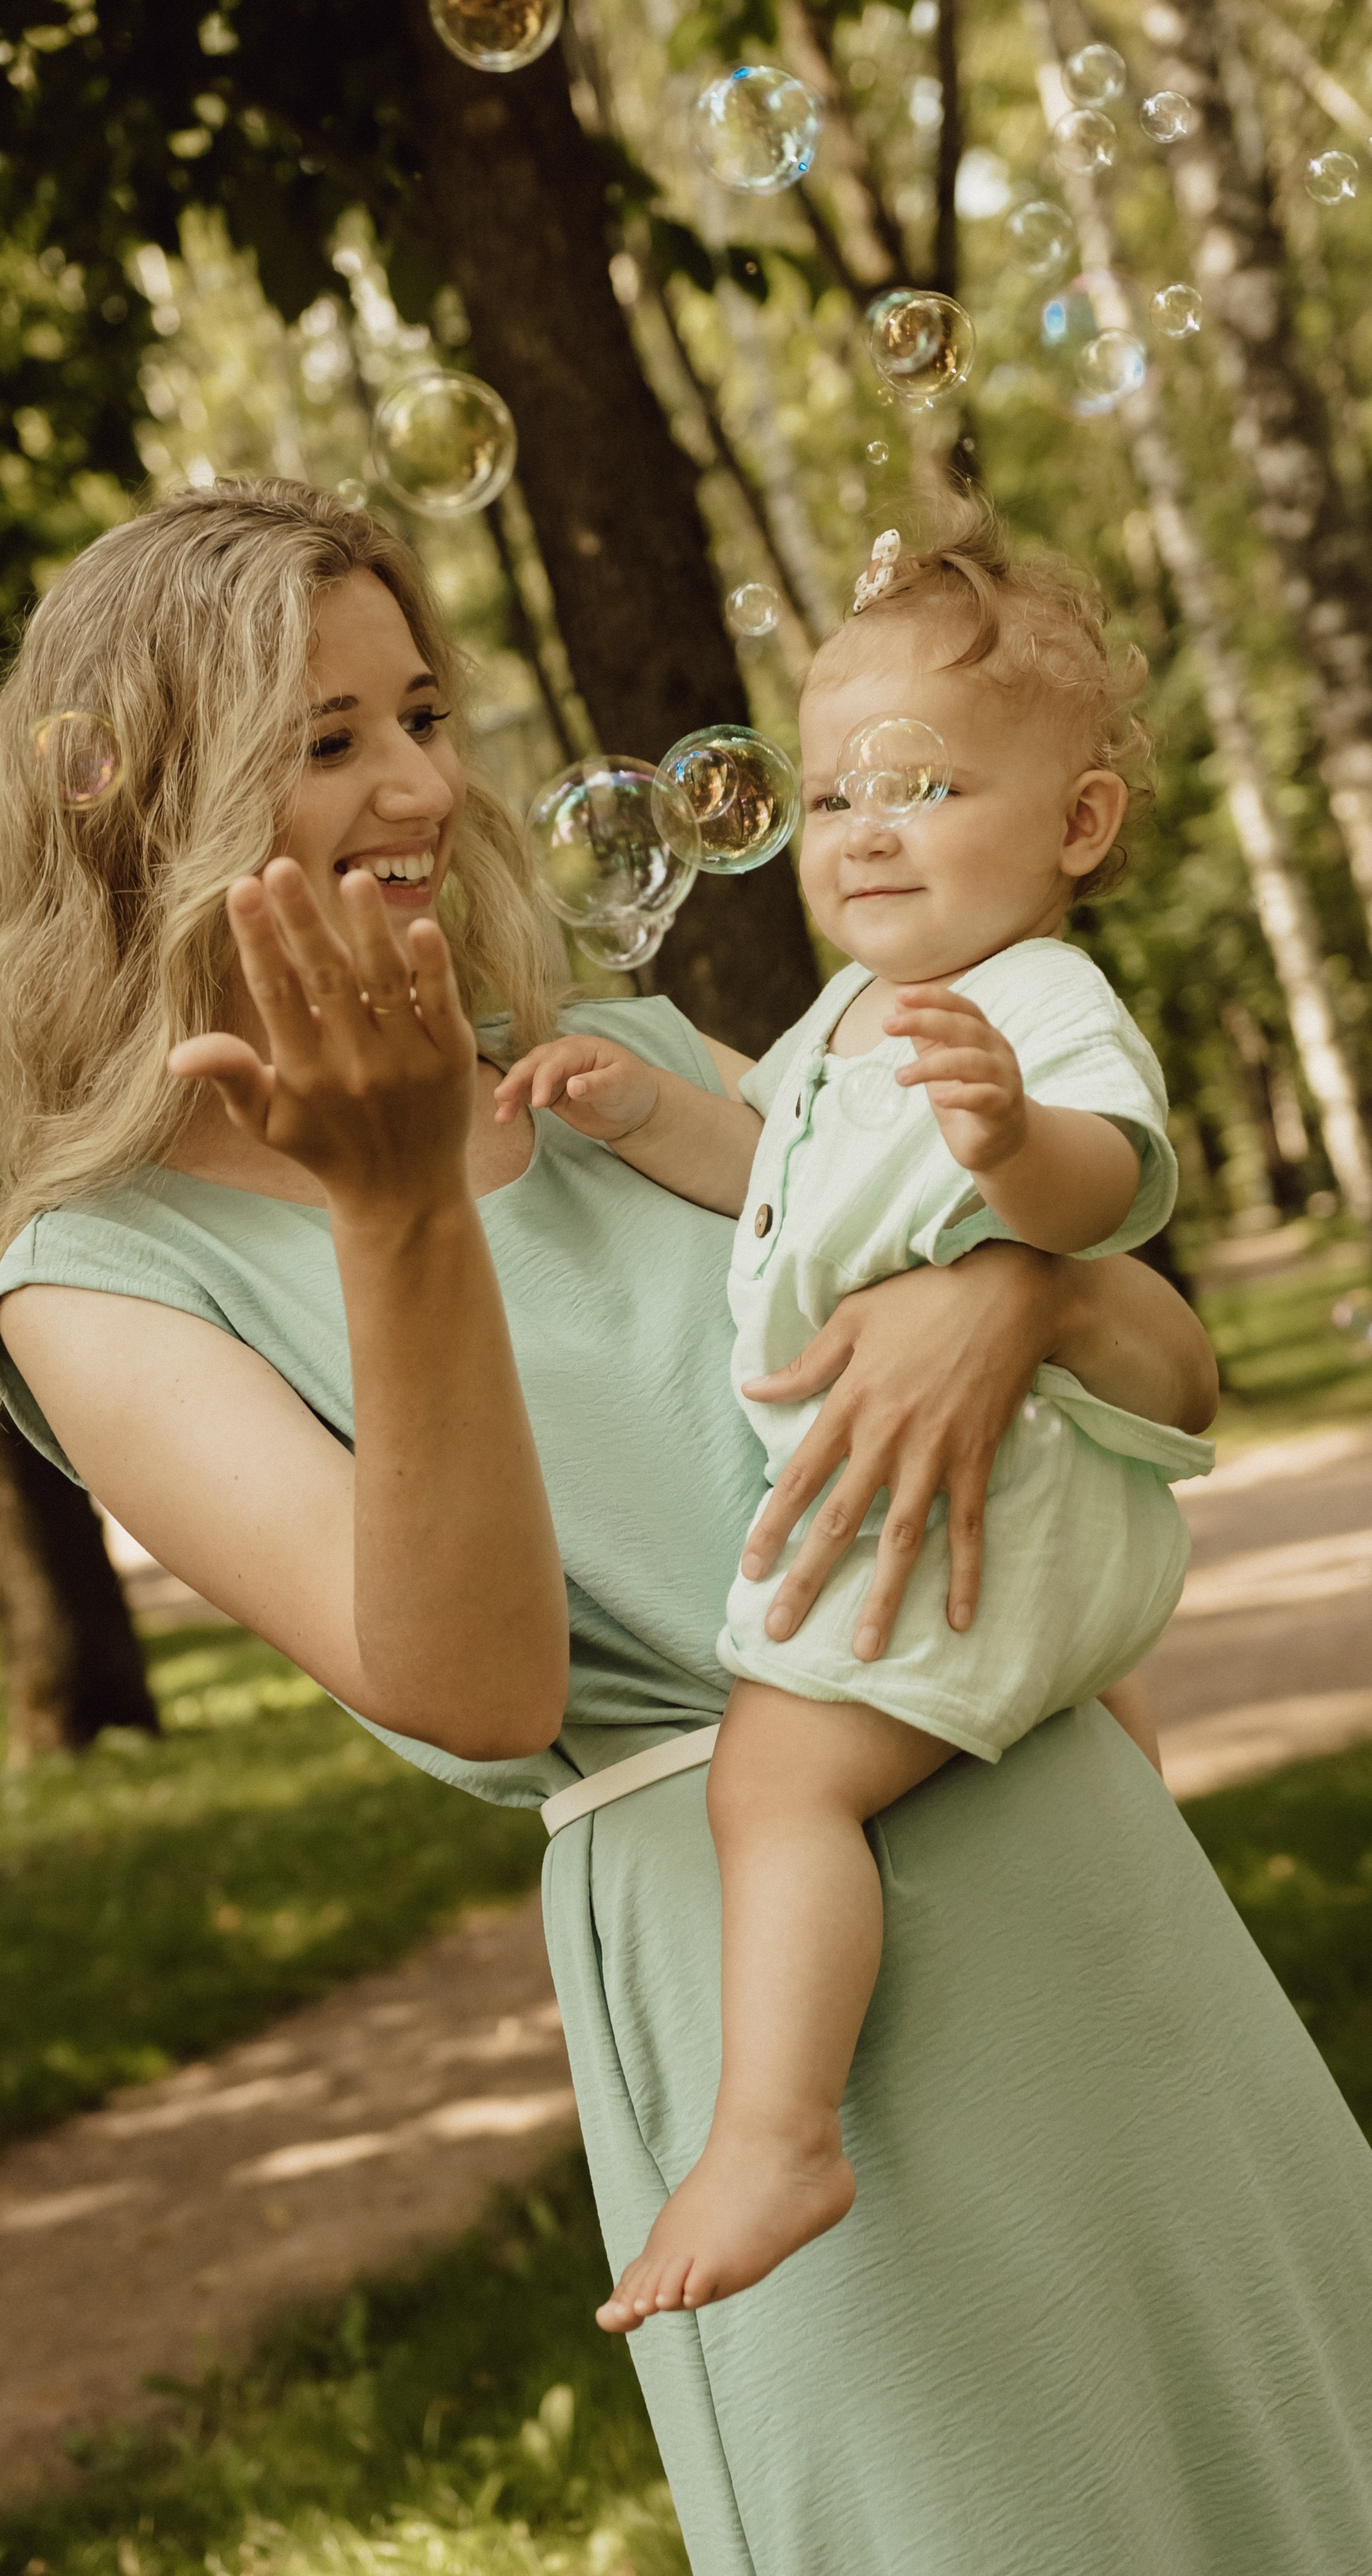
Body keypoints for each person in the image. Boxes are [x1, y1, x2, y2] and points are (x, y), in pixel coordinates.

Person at [0, 478, 1372, 2574]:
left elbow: (1166, 1370)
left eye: (417, 711)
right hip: (777, 2021)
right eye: (322, 741)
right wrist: (397, 1216)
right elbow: (479, 1690)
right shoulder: (102, 1280)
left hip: (1086, 1872)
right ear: (151, 809)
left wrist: (999, 1285)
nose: (410, 783)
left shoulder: (619, 1065)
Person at [495, 504, 1215, 2328]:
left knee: (780, 1776)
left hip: (988, 1481)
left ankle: (779, 2131)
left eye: (927, 790)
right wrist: (645, 1116)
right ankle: (1119, 1803)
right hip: (981, 1489)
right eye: (832, 801)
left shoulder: (1032, 1004)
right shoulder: (840, 1022)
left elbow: (1113, 1183)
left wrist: (1007, 1146)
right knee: (1009, 1771)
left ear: (1077, 829)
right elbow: (779, 1178)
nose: (867, 831)